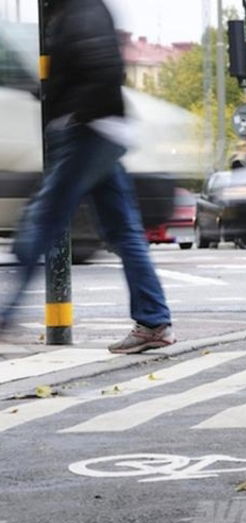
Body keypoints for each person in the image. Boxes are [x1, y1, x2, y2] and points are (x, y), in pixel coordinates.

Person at [0, 0, 175, 354]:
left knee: (40, 224)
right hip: (99, 130)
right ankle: (154, 320)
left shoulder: (81, 10)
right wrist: (49, 94)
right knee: (122, 230)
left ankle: (4, 318)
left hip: (89, 133)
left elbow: (100, 68)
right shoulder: (77, 10)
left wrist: (70, 113)